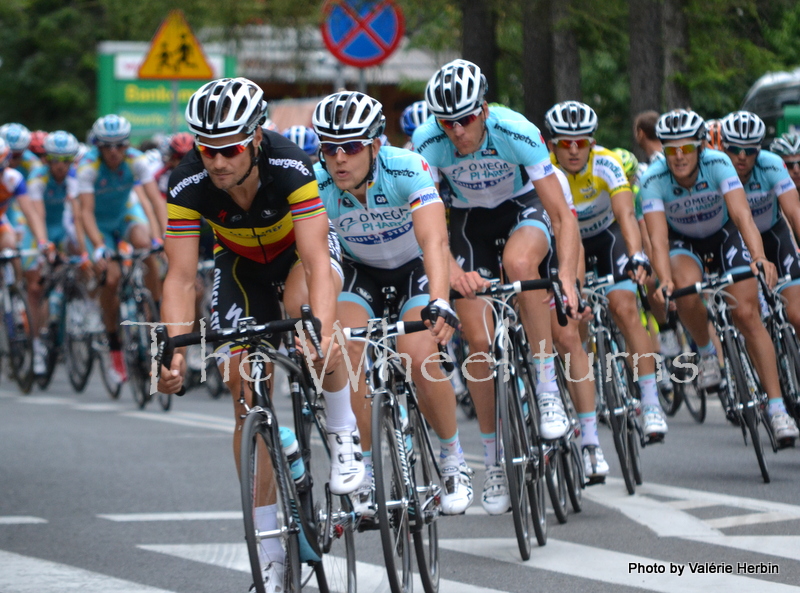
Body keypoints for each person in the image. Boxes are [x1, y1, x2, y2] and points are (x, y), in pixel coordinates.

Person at [156, 78, 365, 591]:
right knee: (243, 387)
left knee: (308, 318)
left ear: (253, 139)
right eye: (208, 150)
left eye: (228, 149)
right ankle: (270, 553)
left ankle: (344, 435)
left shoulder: (289, 163)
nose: (218, 161)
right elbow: (181, 277)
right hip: (241, 264)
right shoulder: (186, 183)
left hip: (300, 255)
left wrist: (317, 326)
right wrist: (172, 347)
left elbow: (317, 259)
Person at [413, 59, 582, 512]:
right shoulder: (428, 142)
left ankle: (547, 388)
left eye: (466, 119)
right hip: (470, 225)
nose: (457, 131)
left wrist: (565, 273)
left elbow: (563, 214)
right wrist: (452, 270)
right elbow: (428, 225)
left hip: (522, 208)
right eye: (447, 122)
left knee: (520, 261)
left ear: (483, 110)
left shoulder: (515, 129)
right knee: (480, 345)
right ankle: (492, 462)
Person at [311, 90, 472, 515]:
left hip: (412, 270)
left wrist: (440, 299)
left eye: (351, 147)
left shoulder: (406, 168)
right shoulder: (317, 184)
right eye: (329, 148)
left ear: (376, 145)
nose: (339, 158)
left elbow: (434, 240)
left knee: (418, 355)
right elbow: (318, 260)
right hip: (359, 274)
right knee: (345, 352)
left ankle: (453, 457)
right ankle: (362, 467)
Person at [642, 109, 800, 445]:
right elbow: (657, 239)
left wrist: (758, 257)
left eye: (687, 148)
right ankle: (707, 352)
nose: (679, 156)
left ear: (701, 147)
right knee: (683, 289)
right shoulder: (653, 179)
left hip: (724, 234)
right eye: (671, 150)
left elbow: (742, 216)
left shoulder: (719, 163)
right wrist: (663, 278)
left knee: (746, 313)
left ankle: (777, 408)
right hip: (684, 242)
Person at [546, 101, 668, 452]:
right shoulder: (544, 168)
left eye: (581, 142)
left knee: (626, 306)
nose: (572, 150)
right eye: (564, 143)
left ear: (592, 143)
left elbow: (627, 215)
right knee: (574, 324)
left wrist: (636, 254)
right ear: (553, 144)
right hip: (566, 243)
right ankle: (584, 380)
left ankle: (650, 403)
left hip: (606, 236)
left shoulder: (608, 163)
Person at [76, 114, 165, 382]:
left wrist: (164, 237)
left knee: (145, 244)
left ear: (127, 145)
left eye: (120, 145)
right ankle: (114, 343)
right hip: (100, 224)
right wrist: (100, 247)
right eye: (107, 146)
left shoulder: (136, 160)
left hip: (125, 213)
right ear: (98, 146)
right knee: (111, 279)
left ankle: (156, 310)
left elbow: (154, 201)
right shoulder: (88, 166)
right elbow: (86, 213)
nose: (114, 152)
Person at [719, 112, 800, 332]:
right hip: (734, 242)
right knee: (748, 317)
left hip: (773, 236)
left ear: (759, 149)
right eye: (734, 149)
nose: (742, 156)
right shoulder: (714, 170)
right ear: (723, 147)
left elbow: (794, 212)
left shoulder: (772, 164)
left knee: (797, 315)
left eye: (750, 150)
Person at [23, 131, 87, 375]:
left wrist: (84, 249)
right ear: (47, 160)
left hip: (61, 229)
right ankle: (36, 343)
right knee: (36, 288)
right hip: (38, 230)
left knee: (81, 255)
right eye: (56, 160)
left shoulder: (73, 177)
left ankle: (77, 304)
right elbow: (37, 215)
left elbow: (79, 215)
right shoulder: (37, 178)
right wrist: (43, 244)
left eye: (67, 160)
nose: (62, 166)